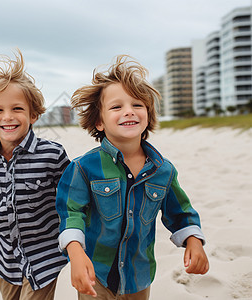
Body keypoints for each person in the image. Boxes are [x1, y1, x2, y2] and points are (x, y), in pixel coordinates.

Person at [55, 55, 209, 299]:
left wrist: (193, 240)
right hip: (96, 274)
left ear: (148, 114)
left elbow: (180, 212)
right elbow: (71, 213)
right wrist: (75, 252)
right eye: (116, 107)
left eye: (137, 105)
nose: (129, 111)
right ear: (99, 121)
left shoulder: (163, 170)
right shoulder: (83, 168)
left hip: (139, 276)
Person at [0, 49, 70, 300]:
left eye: (17, 109)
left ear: (33, 115)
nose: (8, 117)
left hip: (45, 256)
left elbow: (73, 200)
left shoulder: (51, 155)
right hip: (6, 259)